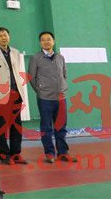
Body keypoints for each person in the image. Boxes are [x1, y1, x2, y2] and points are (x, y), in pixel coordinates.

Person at [28, 31, 77, 164]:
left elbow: (64, 75)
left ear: (53, 42)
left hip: (61, 98)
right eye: (43, 40)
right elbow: (31, 77)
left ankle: (63, 153)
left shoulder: (60, 57)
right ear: (40, 43)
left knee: (61, 127)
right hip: (45, 99)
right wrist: (41, 91)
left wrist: (62, 88)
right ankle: (49, 153)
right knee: (46, 127)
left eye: (48, 39)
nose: (46, 42)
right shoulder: (35, 58)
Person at [0, 27, 27, 165]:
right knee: (1, 126)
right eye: (0, 35)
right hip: (0, 95)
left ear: (9, 36)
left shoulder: (15, 52)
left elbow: (16, 71)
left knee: (16, 125)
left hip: (16, 93)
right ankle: (3, 155)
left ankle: (16, 153)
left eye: (5, 35)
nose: (3, 37)